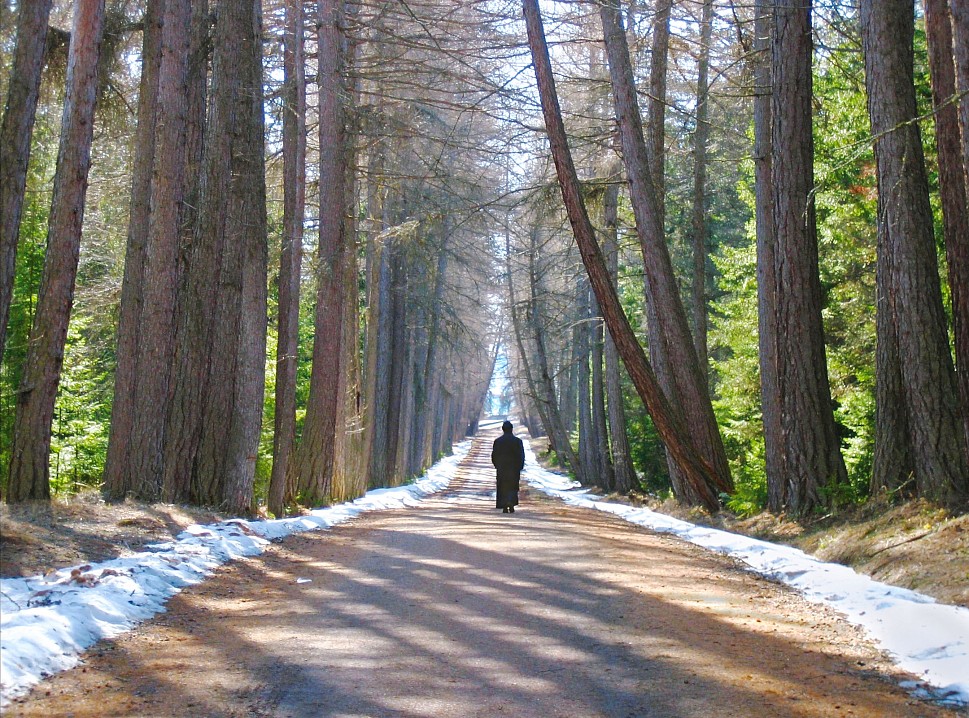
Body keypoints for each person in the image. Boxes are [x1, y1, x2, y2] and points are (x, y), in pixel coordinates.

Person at [491, 420, 525, 513]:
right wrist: (520, 466)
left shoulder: (498, 441)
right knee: (513, 486)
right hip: (514, 468)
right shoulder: (518, 441)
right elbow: (521, 455)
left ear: (503, 429)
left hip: (502, 468)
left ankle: (504, 504)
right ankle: (511, 502)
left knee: (502, 486)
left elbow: (494, 455)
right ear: (511, 429)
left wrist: (497, 465)